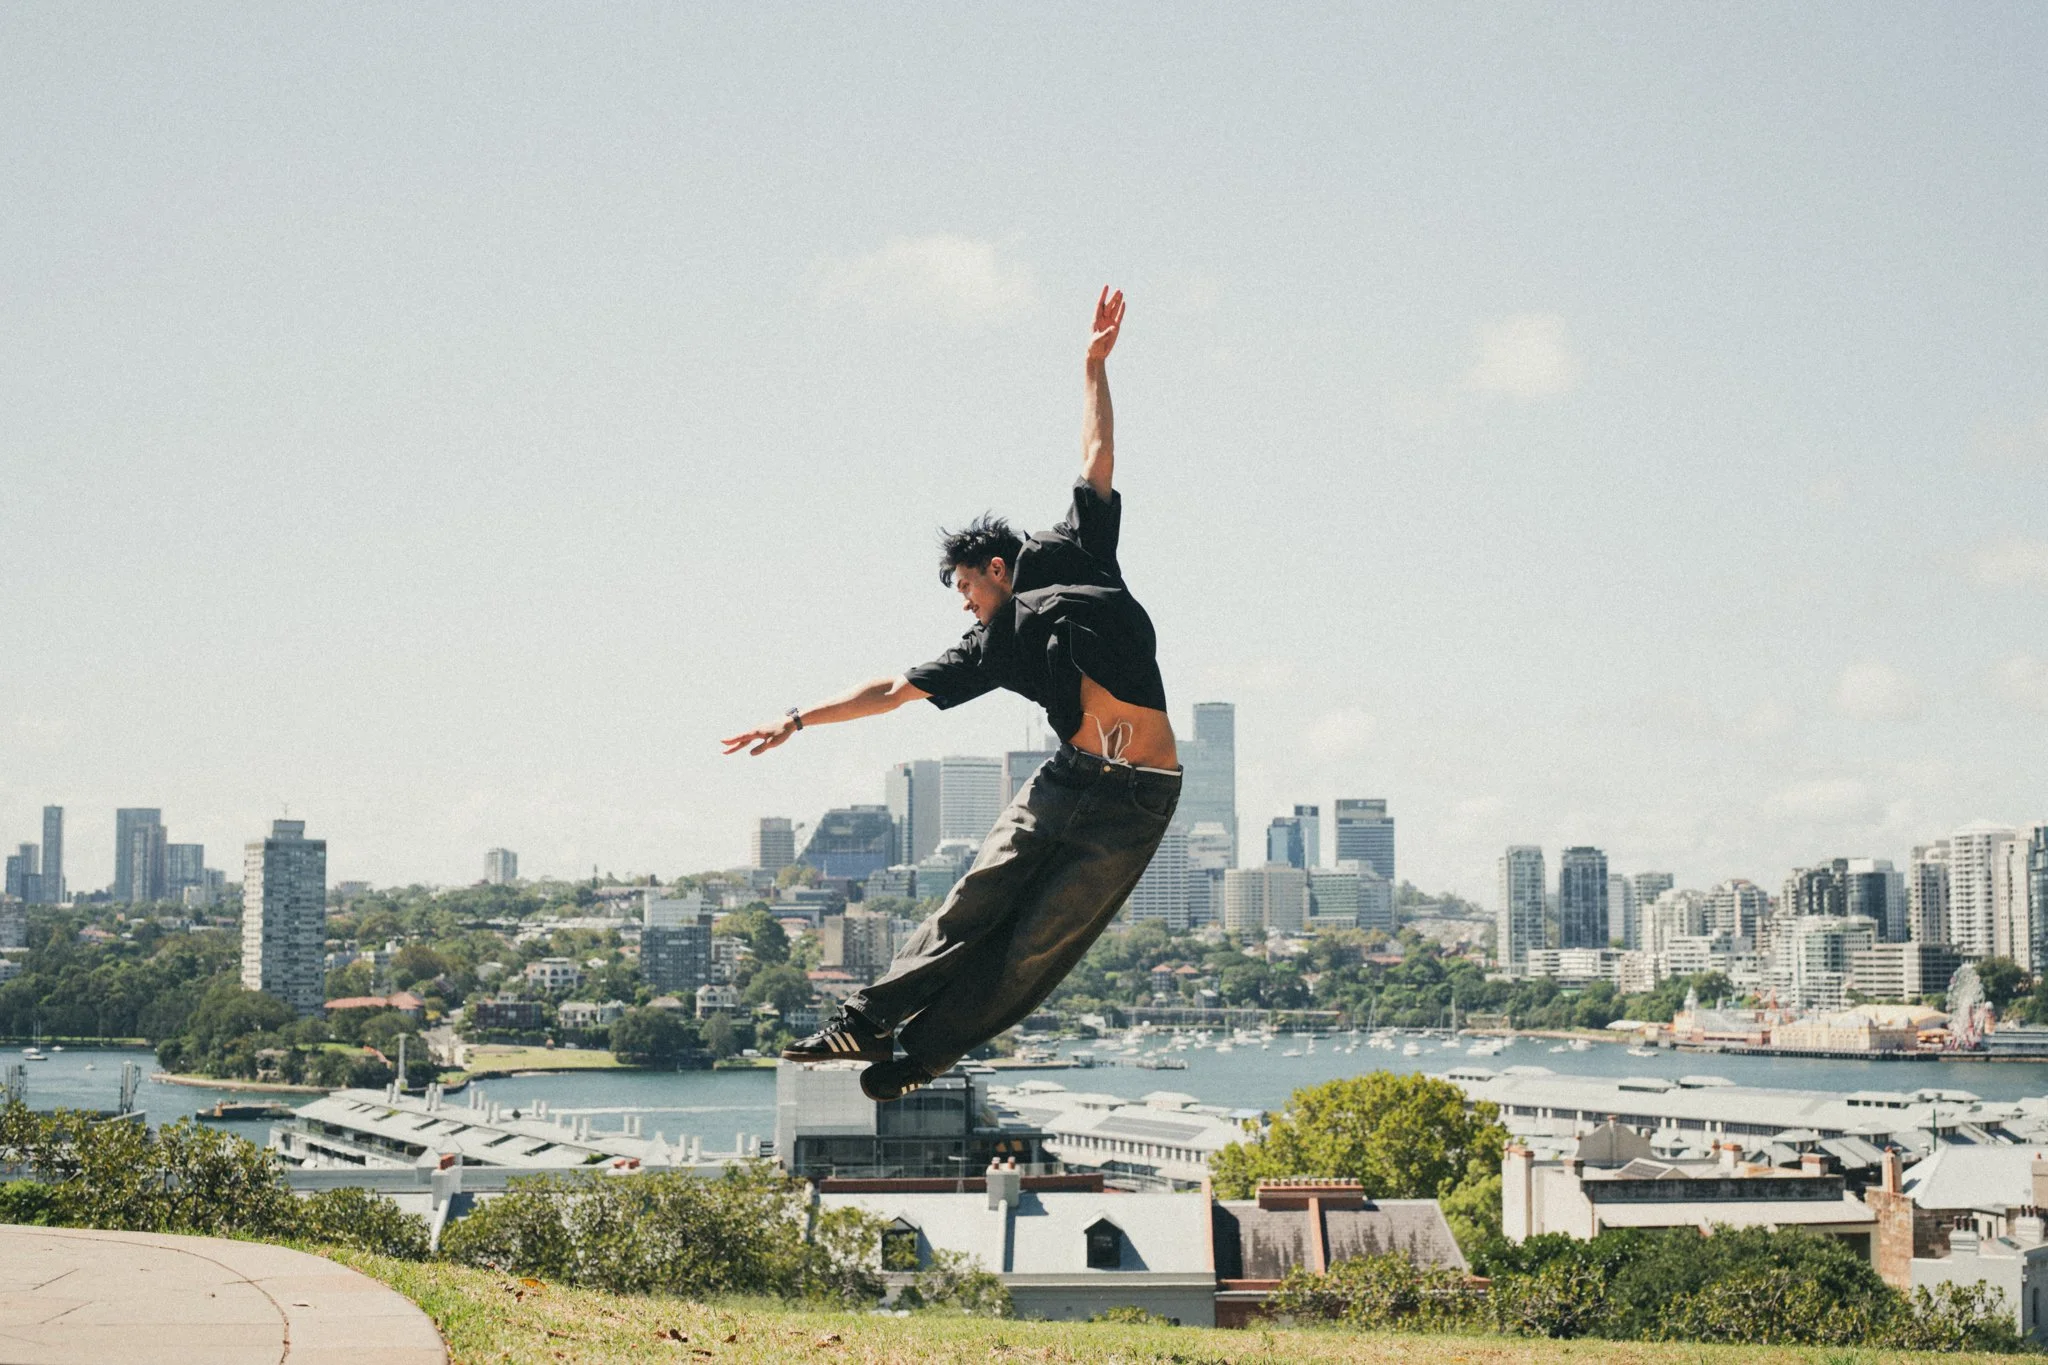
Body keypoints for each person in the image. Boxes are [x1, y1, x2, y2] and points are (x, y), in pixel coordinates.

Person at [721, 286, 1180, 1101]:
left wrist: (1093, 367)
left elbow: (1098, 455)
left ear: (997, 569)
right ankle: (866, 1020)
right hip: (1068, 781)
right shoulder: (986, 648)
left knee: (1039, 944)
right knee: (975, 899)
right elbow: (893, 691)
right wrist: (796, 717)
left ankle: (922, 1055)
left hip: (1138, 800)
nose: (965, 602)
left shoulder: (1072, 551)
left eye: (967, 586)